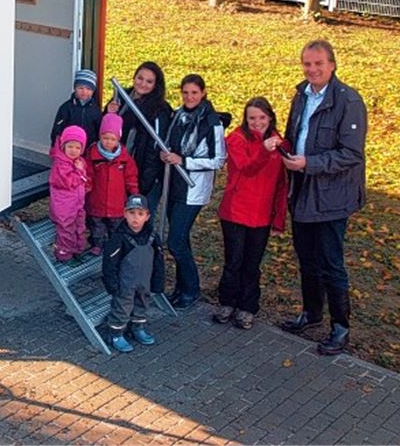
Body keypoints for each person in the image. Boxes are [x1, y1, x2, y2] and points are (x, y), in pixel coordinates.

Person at [280, 40, 366, 356]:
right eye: (307, 63)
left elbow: (351, 153)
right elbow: (296, 133)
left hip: (332, 195)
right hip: (302, 187)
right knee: (306, 256)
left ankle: (340, 328)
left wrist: (310, 163)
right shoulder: (301, 94)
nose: (312, 69)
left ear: (332, 64)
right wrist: (282, 146)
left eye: (318, 63)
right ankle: (312, 313)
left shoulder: (348, 101)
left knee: (331, 262)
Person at [214, 97, 289, 329]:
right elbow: (246, 168)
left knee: (252, 264)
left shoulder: (280, 144)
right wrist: (264, 152)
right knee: (233, 261)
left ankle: (247, 308)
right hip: (236, 211)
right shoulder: (236, 139)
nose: (257, 123)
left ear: (270, 118)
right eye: (252, 118)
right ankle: (227, 302)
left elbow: (282, 184)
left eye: (262, 118)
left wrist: (278, 219)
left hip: (262, 214)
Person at [159, 74, 226, 310]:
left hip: (193, 189)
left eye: (194, 93)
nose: (189, 97)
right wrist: (166, 155)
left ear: (203, 93)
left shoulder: (211, 123)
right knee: (181, 239)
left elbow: (218, 160)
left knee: (175, 241)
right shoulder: (179, 115)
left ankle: (191, 288)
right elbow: (171, 145)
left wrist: (184, 161)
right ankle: (181, 288)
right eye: (185, 93)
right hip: (173, 185)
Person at [102, 194, 165, 353]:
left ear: (147, 216)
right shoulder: (119, 238)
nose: (135, 218)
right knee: (121, 308)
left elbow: (158, 261)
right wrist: (112, 284)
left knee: (142, 304)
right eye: (131, 213)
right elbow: (109, 263)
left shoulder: (152, 237)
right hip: (125, 285)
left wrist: (158, 282)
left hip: (144, 282)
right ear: (124, 214)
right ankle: (116, 334)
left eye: (140, 214)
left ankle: (137, 327)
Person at [105, 61, 172, 211]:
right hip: (118, 165)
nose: (143, 84)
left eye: (149, 81)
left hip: (144, 171)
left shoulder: (160, 109)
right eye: (140, 78)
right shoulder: (121, 98)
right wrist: (108, 112)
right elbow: (107, 130)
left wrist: (145, 180)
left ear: (156, 85)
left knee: (140, 215)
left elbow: (156, 147)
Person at [85, 112, 139, 255]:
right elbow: (87, 173)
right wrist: (86, 186)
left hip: (117, 202)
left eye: (112, 139)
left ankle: (115, 246)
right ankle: (97, 244)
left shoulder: (124, 157)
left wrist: (134, 192)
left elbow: (131, 176)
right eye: (105, 138)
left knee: (116, 226)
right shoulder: (93, 154)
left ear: (118, 139)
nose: (108, 142)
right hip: (97, 199)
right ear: (100, 137)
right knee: (97, 225)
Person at [48, 125, 92, 263]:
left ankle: (78, 249)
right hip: (64, 207)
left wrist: (82, 176)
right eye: (70, 146)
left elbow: (84, 178)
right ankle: (64, 254)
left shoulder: (78, 161)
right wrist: (80, 173)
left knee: (79, 226)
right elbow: (68, 181)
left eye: (78, 148)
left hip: (77, 203)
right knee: (66, 229)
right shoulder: (61, 164)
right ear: (63, 146)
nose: (74, 151)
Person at [50, 69, 101, 148]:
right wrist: (55, 146)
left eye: (88, 89)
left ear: (93, 91)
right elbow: (57, 130)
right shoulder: (66, 108)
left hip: (89, 148)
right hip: (69, 149)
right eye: (81, 88)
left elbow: (99, 129)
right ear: (75, 88)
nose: (84, 91)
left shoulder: (95, 109)